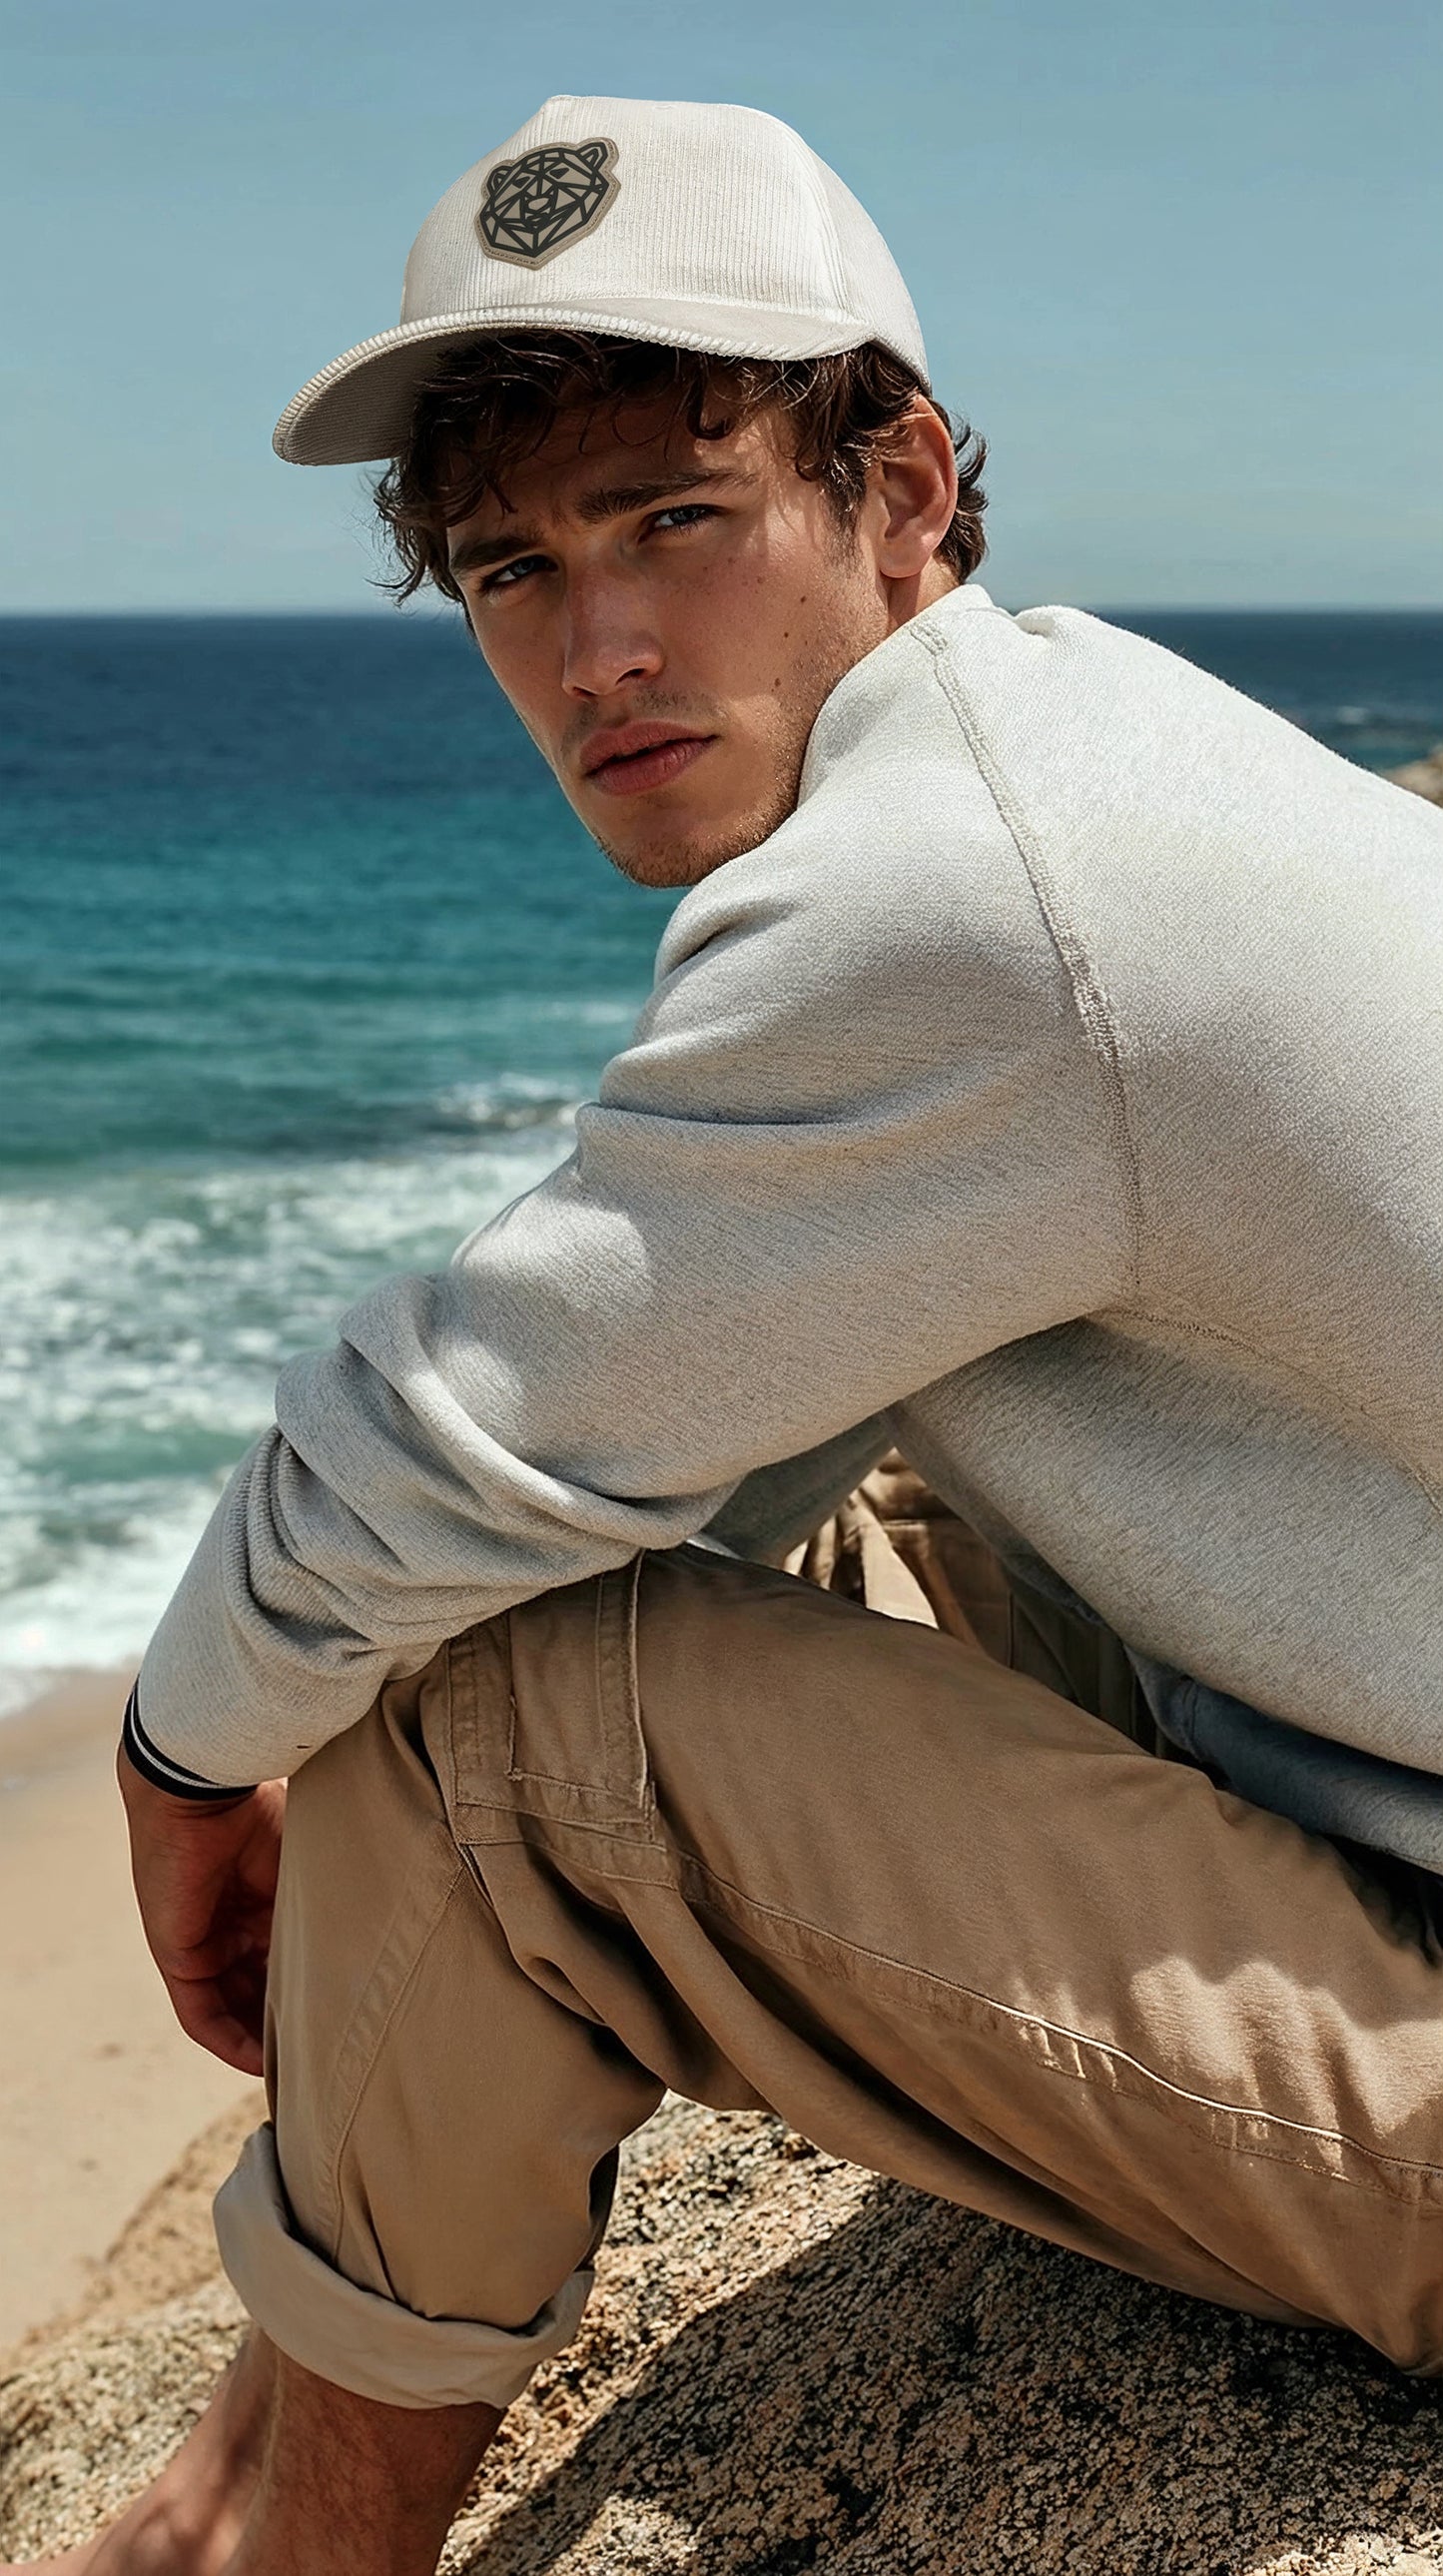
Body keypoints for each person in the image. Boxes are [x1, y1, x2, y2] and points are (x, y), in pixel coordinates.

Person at [14, 90, 1443, 2576]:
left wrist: (168, 1758)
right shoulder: (1069, 745)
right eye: (509, 568)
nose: (602, 648)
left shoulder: (965, 891)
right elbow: (651, 1413)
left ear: (905, 489)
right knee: (799, 1471)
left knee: (490, 1713)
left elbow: (430, 1448)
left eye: (678, 517)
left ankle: (272, 2547)